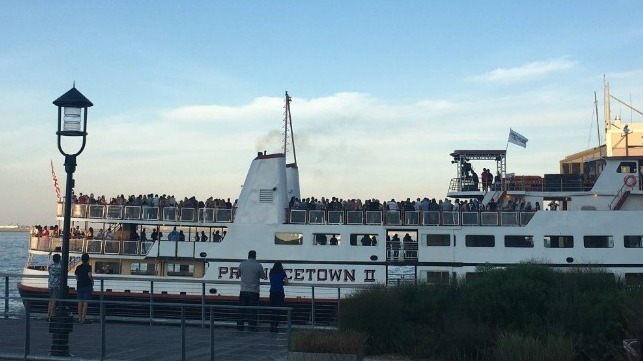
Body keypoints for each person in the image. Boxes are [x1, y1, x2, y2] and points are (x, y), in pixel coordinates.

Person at [237, 250, 266, 331]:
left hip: (243, 290)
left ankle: (240, 326)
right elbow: (263, 276)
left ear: (248, 255)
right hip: (254, 291)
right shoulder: (258, 265)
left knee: (241, 310)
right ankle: (251, 327)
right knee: (253, 310)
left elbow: (238, 274)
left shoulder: (242, 264)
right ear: (255, 256)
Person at [74, 253, 93, 324]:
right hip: (87, 285)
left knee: (80, 302)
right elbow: (89, 275)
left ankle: (79, 318)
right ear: (88, 260)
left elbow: (76, 277)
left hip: (79, 285)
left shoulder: (78, 267)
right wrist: (92, 281)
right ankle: (83, 319)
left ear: (82, 259)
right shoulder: (89, 267)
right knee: (85, 303)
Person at [269, 262, 288, 332]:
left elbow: (271, 280)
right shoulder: (282, 272)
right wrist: (281, 282)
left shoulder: (271, 272)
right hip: (279, 292)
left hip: (272, 292)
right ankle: (276, 326)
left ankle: (271, 325)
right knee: (278, 310)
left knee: (272, 309)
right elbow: (286, 282)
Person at [47, 254, 62, 320]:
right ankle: (52, 314)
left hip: (50, 284)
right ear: (59, 259)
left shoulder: (50, 266)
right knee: (54, 300)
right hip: (57, 285)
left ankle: (48, 313)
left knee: (50, 299)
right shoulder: (60, 267)